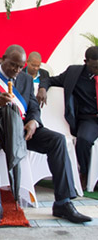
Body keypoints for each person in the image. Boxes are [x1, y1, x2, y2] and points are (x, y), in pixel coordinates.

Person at [0, 44, 91, 225]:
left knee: (57, 140)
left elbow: (33, 107)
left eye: (20, 67)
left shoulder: (26, 79)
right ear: (3, 58)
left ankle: (63, 203)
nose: (16, 70)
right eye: (13, 65)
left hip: (21, 129)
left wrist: (33, 122)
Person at [37, 46, 98, 190]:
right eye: (95, 66)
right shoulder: (74, 73)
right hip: (89, 118)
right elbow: (50, 80)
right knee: (83, 140)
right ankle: (84, 173)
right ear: (86, 62)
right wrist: (42, 89)